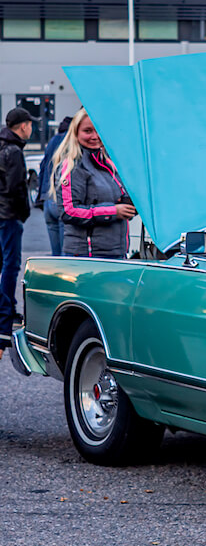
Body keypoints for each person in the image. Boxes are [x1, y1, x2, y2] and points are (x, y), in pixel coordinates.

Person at [51, 108, 135, 258]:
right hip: (87, 256)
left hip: (115, 252)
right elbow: (68, 211)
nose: (94, 136)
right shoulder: (73, 166)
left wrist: (132, 206)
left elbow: (120, 200)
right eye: (88, 131)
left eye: (98, 130)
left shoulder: (109, 163)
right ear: (75, 133)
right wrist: (113, 211)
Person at [0, 107, 34, 359]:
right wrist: (23, 213)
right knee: (11, 265)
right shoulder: (13, 151)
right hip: (9, 215)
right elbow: (16, 187)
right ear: (23, 126)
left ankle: (6, 307)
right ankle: (6, 312)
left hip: (2, 213)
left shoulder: (3, 146)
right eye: (30, 125)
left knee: (4, 263)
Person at [39, 115, 70, 255]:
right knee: (65, 257)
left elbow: (42, 166)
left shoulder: (53, 140)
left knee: (55, 257)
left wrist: (41, 197)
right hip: (60, 199)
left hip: (48, 199)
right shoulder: (69, 141)